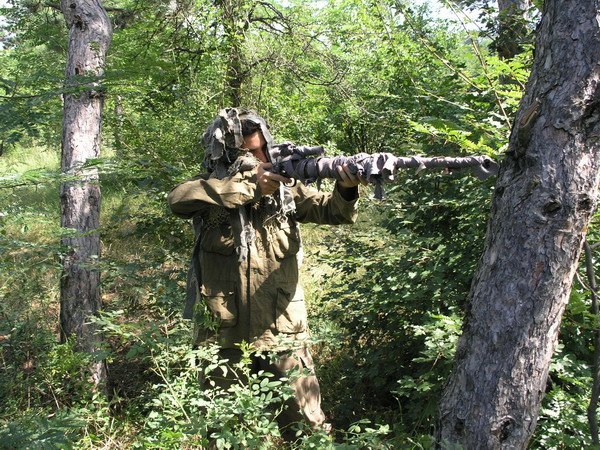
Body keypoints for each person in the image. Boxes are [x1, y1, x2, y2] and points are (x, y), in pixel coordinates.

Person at [167, 107, 363, 438]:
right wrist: (250, 187)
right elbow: (177, 200)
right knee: (224, 431)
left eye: (262, 150)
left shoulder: (287, 188)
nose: (259, 158)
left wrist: (346, 188)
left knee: (307, 427)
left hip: (282, 330)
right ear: (228, 154)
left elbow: (332, 212)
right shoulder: (208, 189)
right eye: (249, 153)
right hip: (224, 335)